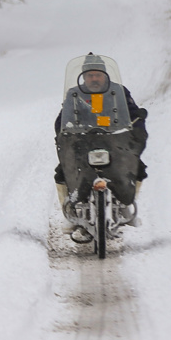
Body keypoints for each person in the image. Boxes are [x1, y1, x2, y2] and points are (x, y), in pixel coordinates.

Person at [54, 54, 148, 239]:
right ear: (84, 76)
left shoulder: (119, 92)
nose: (94, 78)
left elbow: (133, 114)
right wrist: (65, 135)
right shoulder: (74, 94)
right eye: (90, 75)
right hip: (83, 142)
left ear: (105, 75)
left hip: (114, 141)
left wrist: (136, 130)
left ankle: (126, 205)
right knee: (61, 172)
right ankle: (70, 212)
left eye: (98, 74)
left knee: (138, 168)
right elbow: (61, 120)